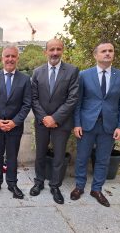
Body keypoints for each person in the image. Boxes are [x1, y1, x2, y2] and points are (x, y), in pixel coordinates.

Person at [71, 41, 120, 207]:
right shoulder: (84, 75)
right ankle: (79, 187)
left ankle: (96, 189)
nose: (108, 53)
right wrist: (77, 123)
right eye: (104, 51)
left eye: (111, 50)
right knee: (82, 158)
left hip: (109, 126)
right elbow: (78, 101)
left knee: (103, 160)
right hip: (87, 124)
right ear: (96, 55)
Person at [30, 39, 79, 204]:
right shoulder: (37, 72)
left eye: (58, 49)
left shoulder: (72, 71)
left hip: (61, 123)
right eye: (52, 49)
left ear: (62, 50)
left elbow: (72, 99)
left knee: (59, 156)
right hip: (42, 122)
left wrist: (55, 118)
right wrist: (45, 118)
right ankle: (39, 182)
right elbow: (34, 99)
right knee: (40, 154)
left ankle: (55, 185)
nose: (55, 52)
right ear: (46, 52)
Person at [0, 45, 31, 199]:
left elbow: (26, 104)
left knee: (12, 157)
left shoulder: (25, 79)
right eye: (7, 56)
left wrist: (15, 122)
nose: (10, 59)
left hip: (14, 127)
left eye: (13, 56)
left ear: (17, 58)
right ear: (2, 59)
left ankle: (12, 184)